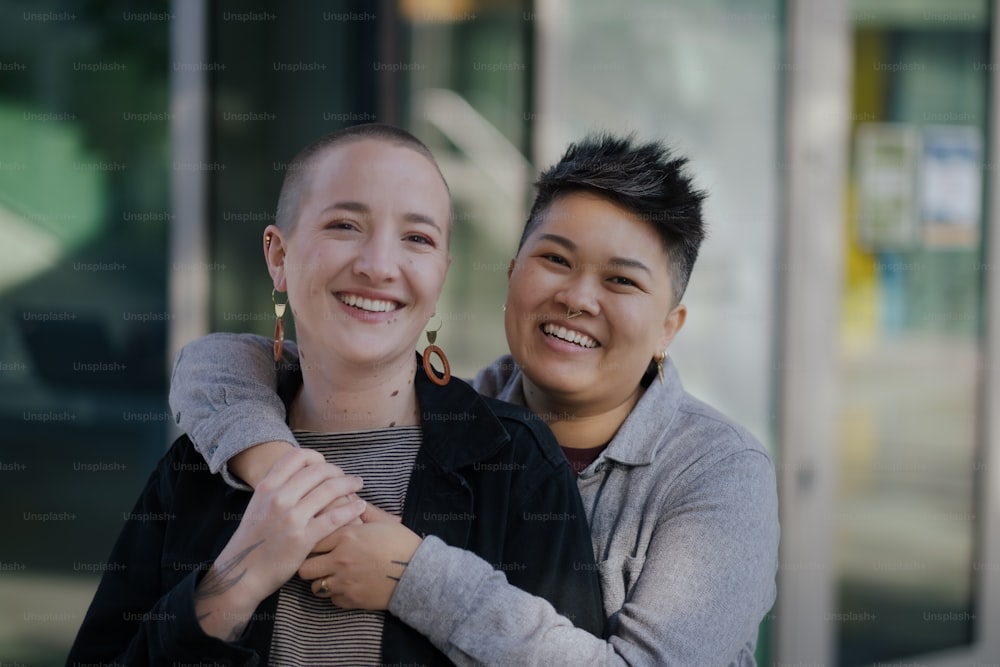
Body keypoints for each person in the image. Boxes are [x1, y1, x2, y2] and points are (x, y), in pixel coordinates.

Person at [169, 133, 780, 665]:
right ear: (511, 272)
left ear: (669, 327)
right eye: (555, 260)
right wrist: (283, 476)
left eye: (620, 280)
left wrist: (413, 577)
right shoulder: (464, 414)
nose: (577, 298)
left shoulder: (718, 473)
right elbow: (221, 364)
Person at [66, 123, 604, 666]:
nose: (377, 265)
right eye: (345, 225)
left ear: (441, 273)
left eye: (417, 238)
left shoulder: (516, 464)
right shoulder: (196, 470)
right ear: (278, 256)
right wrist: (233, 581)